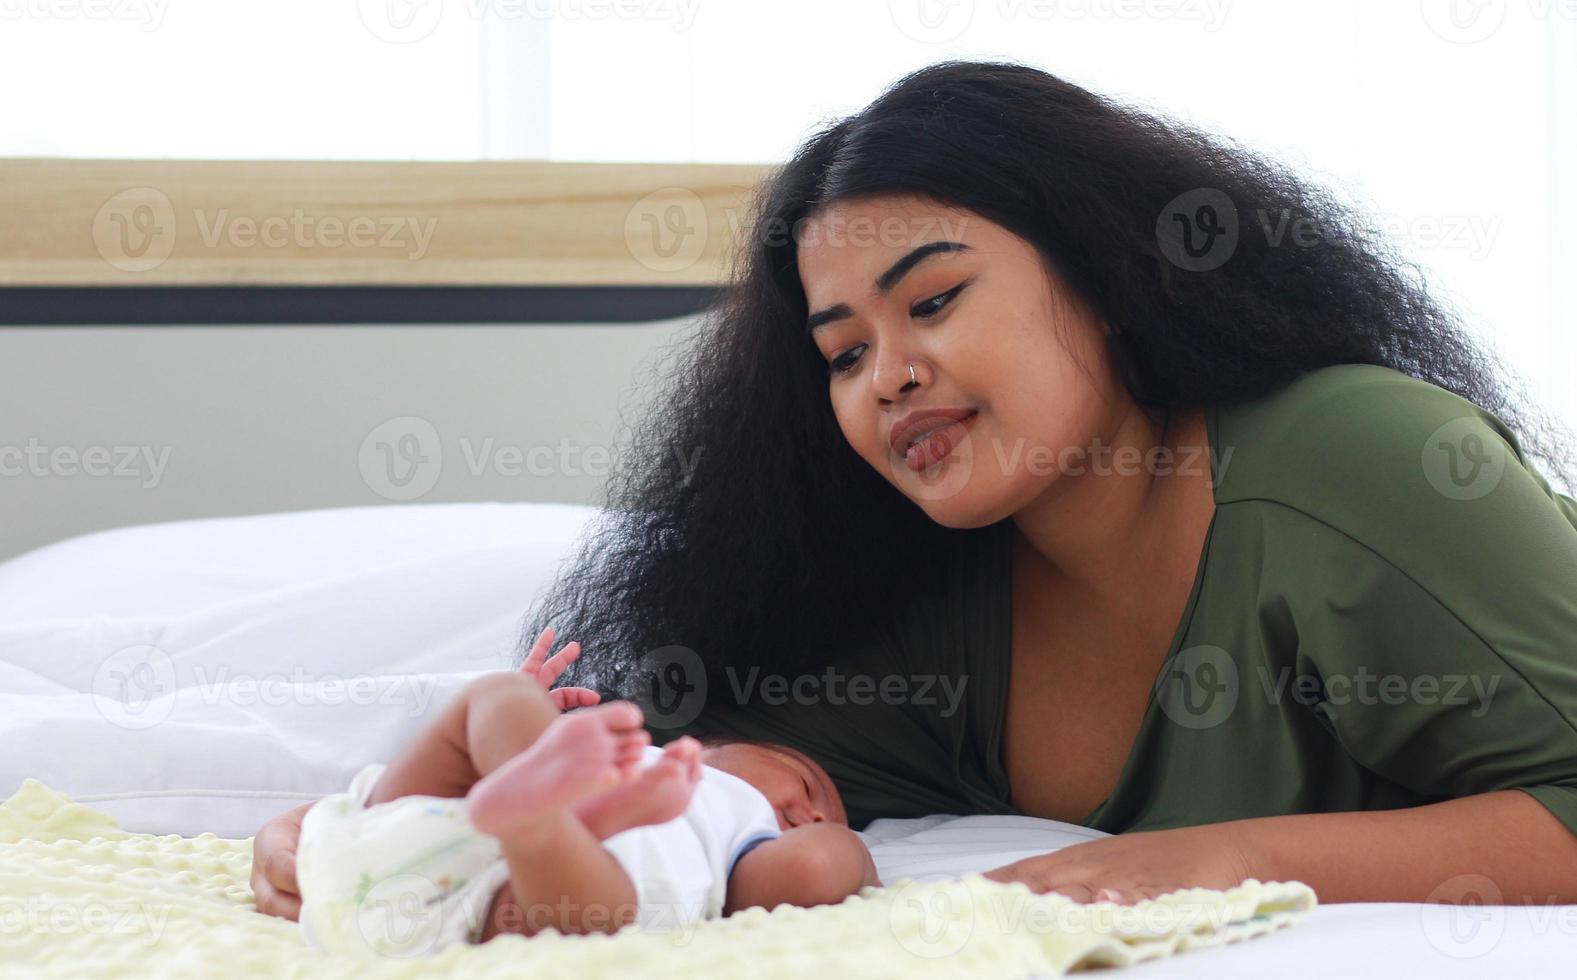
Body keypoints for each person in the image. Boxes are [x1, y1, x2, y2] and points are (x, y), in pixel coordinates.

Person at [254, 59, 1577, 916]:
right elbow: (695, 804)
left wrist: (1228, 852)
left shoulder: (1360, 462)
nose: (887, 376)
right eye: (842, 353)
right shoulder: (947, 593)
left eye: (934, 300)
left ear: (1105, 279)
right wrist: (368, 843)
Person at [294, 631, 877, 955]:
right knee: (503, 697)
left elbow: (805, 872)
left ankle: (546, 819)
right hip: (433, 834)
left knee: (498, 705)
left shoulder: (740, 835)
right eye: (805, 783)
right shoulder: (648, 759)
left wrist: (845, 856)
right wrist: (528, 721)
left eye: (819, 812)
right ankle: (542, 808)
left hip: (374, 877)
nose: (811, 809)